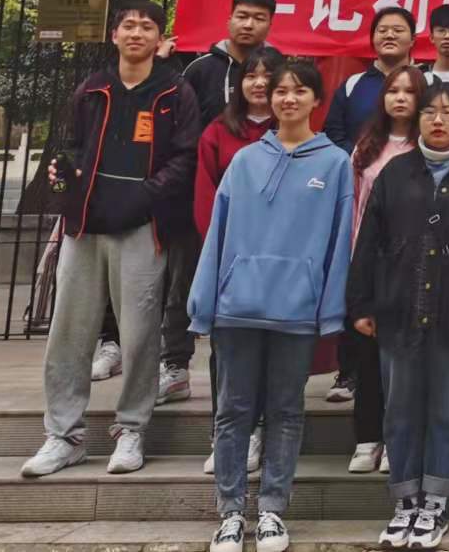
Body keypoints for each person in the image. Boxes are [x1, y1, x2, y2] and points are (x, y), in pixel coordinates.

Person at [22, 0, 199, 480]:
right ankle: (64, 435)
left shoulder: (174, 92)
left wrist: (144, 197)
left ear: (160, 38)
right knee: (69, 332)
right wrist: (66, 173)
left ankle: (132, 428)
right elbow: (72, 144)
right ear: (115, 34)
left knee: (139, 333)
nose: (136, 33)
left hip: (141, 226)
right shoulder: (92, 88)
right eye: (129, 25)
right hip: (85, 225)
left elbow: (185, 158)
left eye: (147, 26)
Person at [190, 57, 353, 552]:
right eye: (281, 90)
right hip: (237, 308)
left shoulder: (335, 164)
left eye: (299, 90)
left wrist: (331, 309)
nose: (288, 98)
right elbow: (217, 235)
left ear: (316, 100)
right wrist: (203, 302)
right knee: (232, 412)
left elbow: (339, 244)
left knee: (286, 412)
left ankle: (272, 512)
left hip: (297, 312)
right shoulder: (244, 160)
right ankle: (230, 513)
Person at [349, 81, 449, 550]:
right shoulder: (396, 172)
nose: (438, 120)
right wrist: (360, 304)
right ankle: (404, 502)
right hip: (398, 309)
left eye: (448, 112)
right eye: (429, 112)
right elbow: (368, 242)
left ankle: (436, 502)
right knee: (400, 410)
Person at [169, 0, 278, 398]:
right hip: (202, 196)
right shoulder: (199, 68)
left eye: (259, 18)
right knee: (185, 285)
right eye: (242, 15)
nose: (248, 24)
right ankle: (174, 363)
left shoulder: (280, 70)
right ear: (229, 17)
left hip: (267, 225)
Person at [194, 48, 285, 476]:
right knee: (228, 349)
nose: (260, 83)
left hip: (281, 262)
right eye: (251, 75)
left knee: (273, 350)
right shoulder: (218, 132)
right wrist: (218, 250)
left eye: (269, 76)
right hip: (231, 259)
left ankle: (260, 430)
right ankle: (227, 432)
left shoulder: (294, 132)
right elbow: (205, 198)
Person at [345, 66, 428, 473]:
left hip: (414, 265)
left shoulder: (427, 146)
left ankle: (400, 439)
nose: (400, 98)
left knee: (406, 360)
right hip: (369, 260)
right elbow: (353, 206)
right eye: (393, 91)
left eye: (409, 92)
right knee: (367, 353)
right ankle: (367, 438)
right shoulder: (366, 147)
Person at [325, 7, 419, 152]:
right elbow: (334, 133)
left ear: (412, 39)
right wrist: (359, 159)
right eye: (382, 30)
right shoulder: (352, 84)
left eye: (398, 30)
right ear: (372, 39)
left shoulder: (427, 82)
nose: (389, 35)